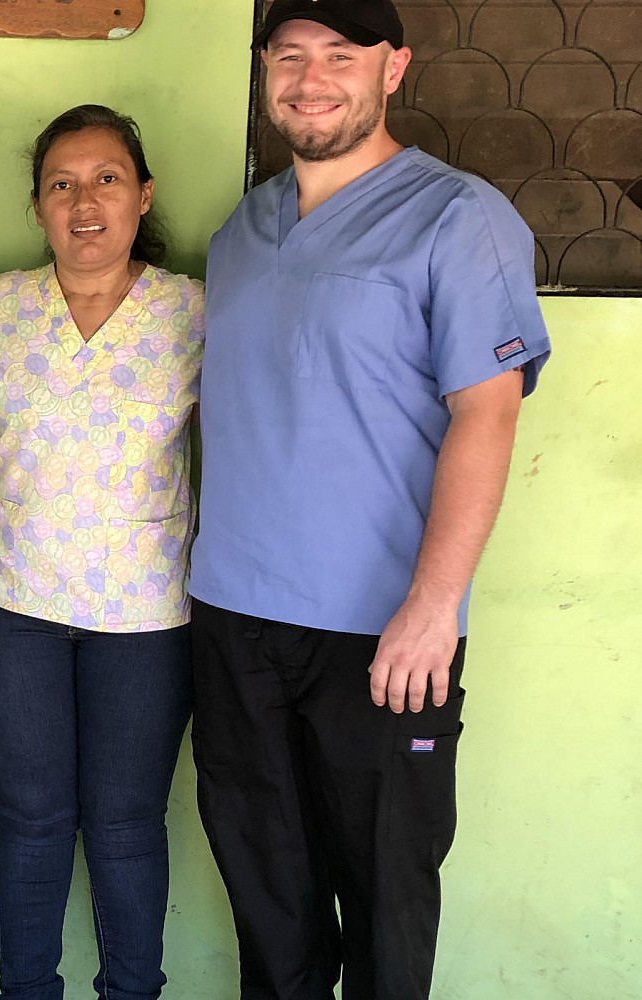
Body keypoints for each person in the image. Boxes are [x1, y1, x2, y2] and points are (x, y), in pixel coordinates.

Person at [189, 2, 551, 998]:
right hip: (231, 618)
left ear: (394, 69)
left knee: (386, 896)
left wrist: (433, 610)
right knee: (267, 894)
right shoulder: (242, 230)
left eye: (340, 56)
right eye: (290, 55)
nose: (312, 78)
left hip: (383, 633)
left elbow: (487, 414)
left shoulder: (456, 217)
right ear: (265, 70)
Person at [0, 105, 203, 1000]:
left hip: (144, 615)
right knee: (28, 820)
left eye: (106, 179)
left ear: (142, 196)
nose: (84, 200)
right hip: (11, 605)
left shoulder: (193, 313)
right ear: (37, 206)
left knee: (129, 825)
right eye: (61, 183)